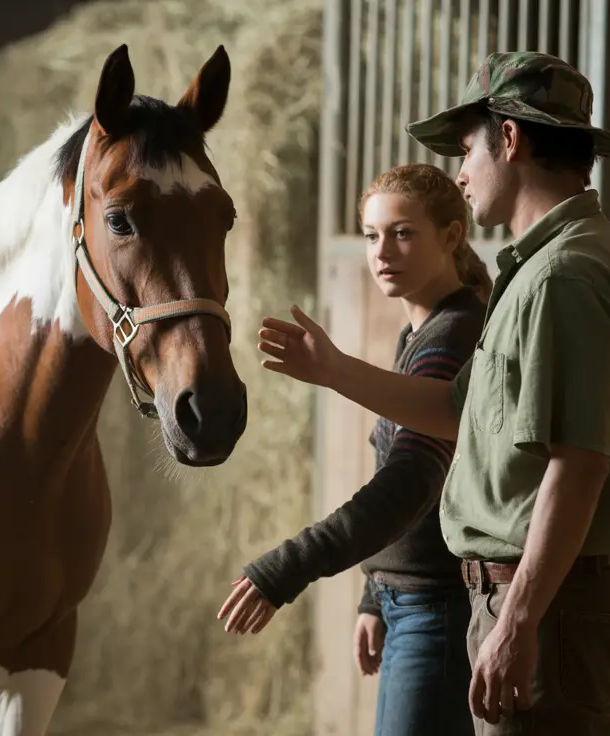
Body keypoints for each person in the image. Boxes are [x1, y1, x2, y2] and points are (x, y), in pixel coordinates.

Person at [242, 51, 610, 735]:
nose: (460, 173)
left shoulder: (564, 275)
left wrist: (519, 619)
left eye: (467, 148)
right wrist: (334, 368)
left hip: (545, 605)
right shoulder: (540, 268)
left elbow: (578, 464)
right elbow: (452, 410)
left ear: (511, 138)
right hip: (533, 600)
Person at [216, 163, 491, 736]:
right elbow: (410, 474)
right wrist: (375, 592)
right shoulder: (421, 331)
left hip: (437, 611)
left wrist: (286, 568)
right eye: (370, 235)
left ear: (451, 235)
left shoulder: (452, 336)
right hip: (410, 604)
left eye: (403, 232)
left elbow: (409, 484)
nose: (381, 251)